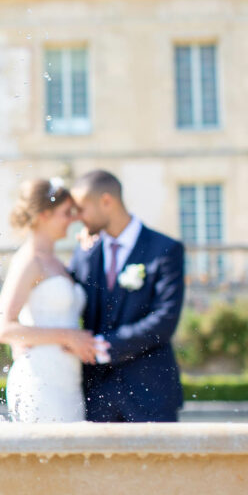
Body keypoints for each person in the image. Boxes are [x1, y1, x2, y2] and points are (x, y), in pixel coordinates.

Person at [67, 170, 186, 423]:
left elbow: (164, 320)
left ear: (106, 201)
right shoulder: (85, 252)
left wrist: (104, 346)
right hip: (96, 395)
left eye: (82, 209)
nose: (78, 218)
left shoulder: (165, 250)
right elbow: (69, 302)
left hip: (150, 393)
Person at [0, 178, 98, 422]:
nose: (73, 219)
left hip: (67, 379)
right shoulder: (29, 261)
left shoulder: (57, 262)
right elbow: (3, 328)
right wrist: (68, 337)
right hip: (40, 379)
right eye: (66, 213)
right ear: (43, 215)